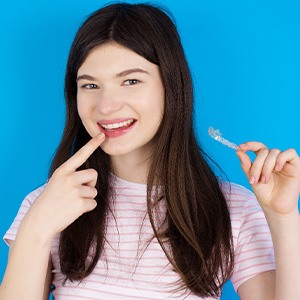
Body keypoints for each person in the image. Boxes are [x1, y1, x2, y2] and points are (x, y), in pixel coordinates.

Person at [1, 2, 299, 300]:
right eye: (90, 86)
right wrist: (37, 228)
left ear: (170, 86)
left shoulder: (232, 208)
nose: (106, 106)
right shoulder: (48, 205)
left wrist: (283, 217)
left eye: (131, 81)